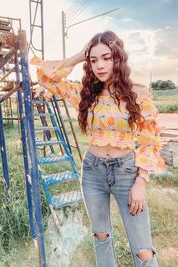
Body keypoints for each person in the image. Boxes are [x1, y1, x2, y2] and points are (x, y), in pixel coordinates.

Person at [31, 31, 166, 267]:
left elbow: (149, 138)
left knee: (143, 249)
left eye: (106, 58)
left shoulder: (137, 94)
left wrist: (141, 181)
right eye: (93, 60)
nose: (100, 66)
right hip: (92, 173)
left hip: (126, 172)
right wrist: (77, 57)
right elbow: (44, 77)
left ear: (118, 58)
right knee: (101, 237)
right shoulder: (85, 95)